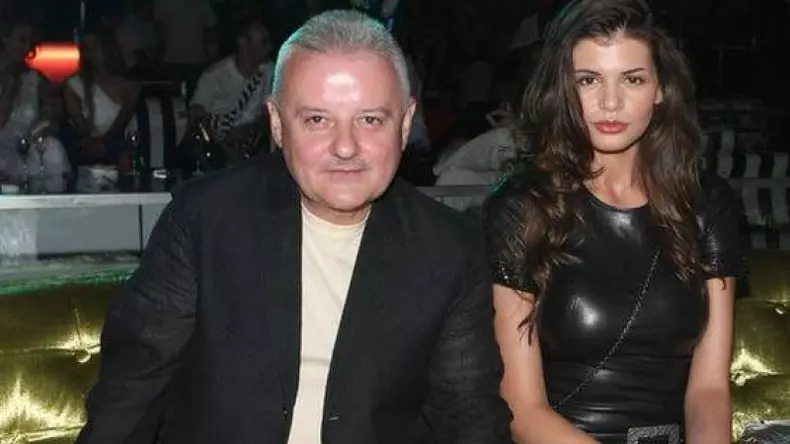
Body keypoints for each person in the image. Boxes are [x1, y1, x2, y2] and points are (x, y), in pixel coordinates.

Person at [76, 10, 512, 444]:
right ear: (277, 124)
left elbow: (469, 413)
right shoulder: (207, 219)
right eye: (318, 120)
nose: (346, 147)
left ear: (405, 123)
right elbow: (131, 391)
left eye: (370, 119)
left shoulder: (449, 248)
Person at [484, 0, 745, 443]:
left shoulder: (705, 202)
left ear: (660, 89)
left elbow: (709, 390)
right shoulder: (523, 206)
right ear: (564, 89)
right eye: (588, 80)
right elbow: (522, 408)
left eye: (632, 79)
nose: (610, 102)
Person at [189, 15, 274, 161]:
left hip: (253, 149)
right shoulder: (215, 76)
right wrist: (221, 143)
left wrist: (253, 130)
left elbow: (268, 112)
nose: (270, 47)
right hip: (220, 152)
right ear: (244, 43)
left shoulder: (268, 71)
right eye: (264, 42)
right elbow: (198, 118)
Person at [0, 15, 68, 190]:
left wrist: (47, 123)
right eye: (21, 40)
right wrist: (10, 91)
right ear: (5, 37)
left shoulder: (35, 78)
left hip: (28, 147)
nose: (26, 46)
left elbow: (54, 117)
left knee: (52, 147)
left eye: (30, 41)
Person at [63, 27, 141, 174]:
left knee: (124, 155)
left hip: (121, 141)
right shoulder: (74, 84)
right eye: (86, 48)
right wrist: (88, 140)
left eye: (95, 45)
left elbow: (122, 121)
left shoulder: (129, 84)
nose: (90, 52)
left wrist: (105, 143)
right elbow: (78, 121)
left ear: (108, 47)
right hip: (89, 143)